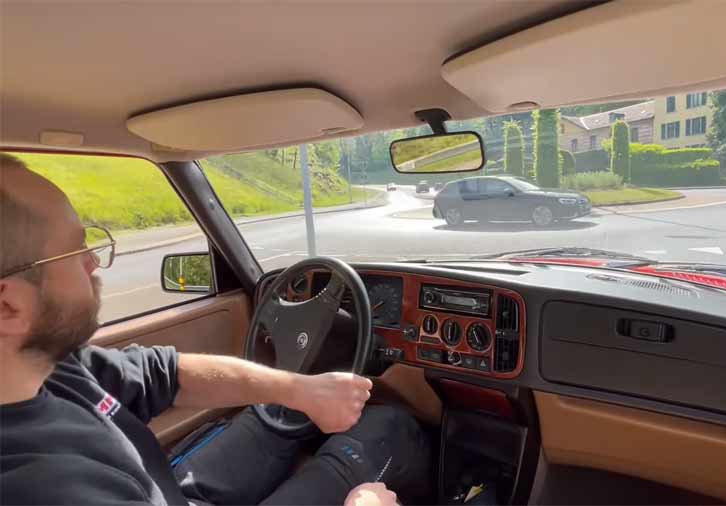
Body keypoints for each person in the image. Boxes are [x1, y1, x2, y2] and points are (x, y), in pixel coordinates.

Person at [0, 153, 431, 505]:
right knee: (388, 429)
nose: (93, 261)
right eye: (75, 250)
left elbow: (164, 374)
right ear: (7, 306)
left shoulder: (50, 365)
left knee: (282, 415)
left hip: (168, 491)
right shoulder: (42, 485)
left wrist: (300, 389)